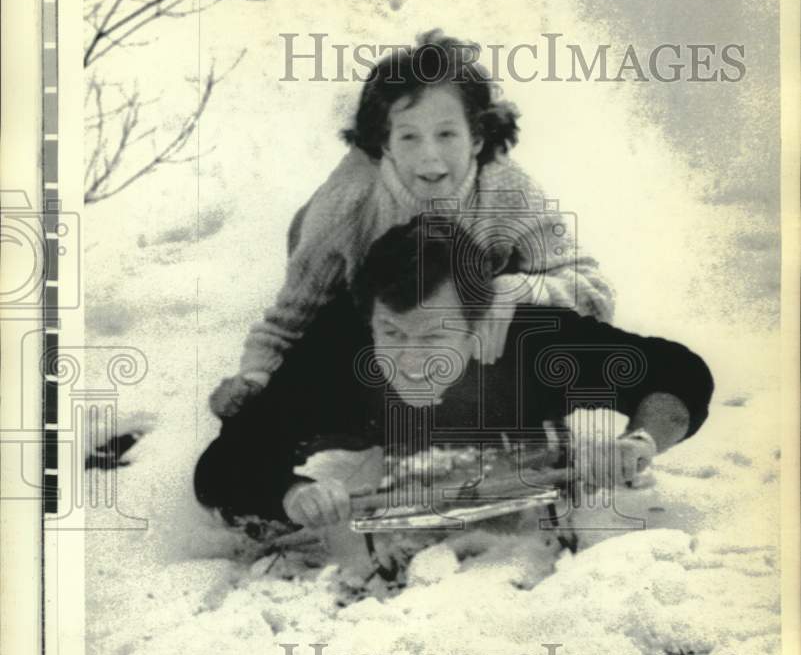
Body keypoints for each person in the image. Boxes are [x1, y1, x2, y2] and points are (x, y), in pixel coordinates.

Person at [195, 216, 714, 530]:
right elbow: (225, 463)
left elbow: (678, 372)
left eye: (434, 337)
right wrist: (290, 493)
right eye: (393, 335)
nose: (412, 361)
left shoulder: (533, 339)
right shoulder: (339, 348)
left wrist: (641, 440)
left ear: (479, 327)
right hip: (369, 443)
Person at [209, 29, 615, 419]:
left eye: (447, 134)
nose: (430, 158)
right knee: (341, 342)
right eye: (409, 138)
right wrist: (254, 379)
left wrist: (511, 290)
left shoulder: (509, 191)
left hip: (460, 310)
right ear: (383, 143)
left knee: (515, 315)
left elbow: (594, 291)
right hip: (364, 289)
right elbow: (290, 319)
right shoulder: (348, 203)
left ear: (477, 137)